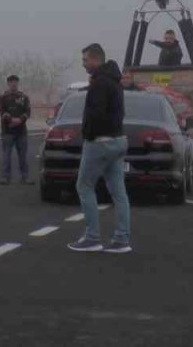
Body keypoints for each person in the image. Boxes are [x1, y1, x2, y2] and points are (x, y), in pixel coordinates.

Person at [68, 43, 132, 253]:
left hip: (100, 142)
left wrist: (87, 134)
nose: (83, 64)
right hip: (119, 139)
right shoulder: (115, 81)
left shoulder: (100, 83)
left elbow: (95, 115)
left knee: (84, 186)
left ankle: (92, 237)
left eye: (85, 60)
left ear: (96, 59)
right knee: (119, 192)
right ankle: (122, 239)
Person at [0, 75, 33, 185]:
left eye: (15, 82)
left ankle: (25, 177)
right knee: (6, 155)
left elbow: (28, 112)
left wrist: (20, 120)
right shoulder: (3, 97)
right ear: (8, 83)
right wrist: (11, 120)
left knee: (23, 156)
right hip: (7, 131)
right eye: (11, 82)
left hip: (21, 131)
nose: (13, 84)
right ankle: (5, 177)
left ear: (18, 83)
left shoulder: (24, 97)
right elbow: (2, 111)